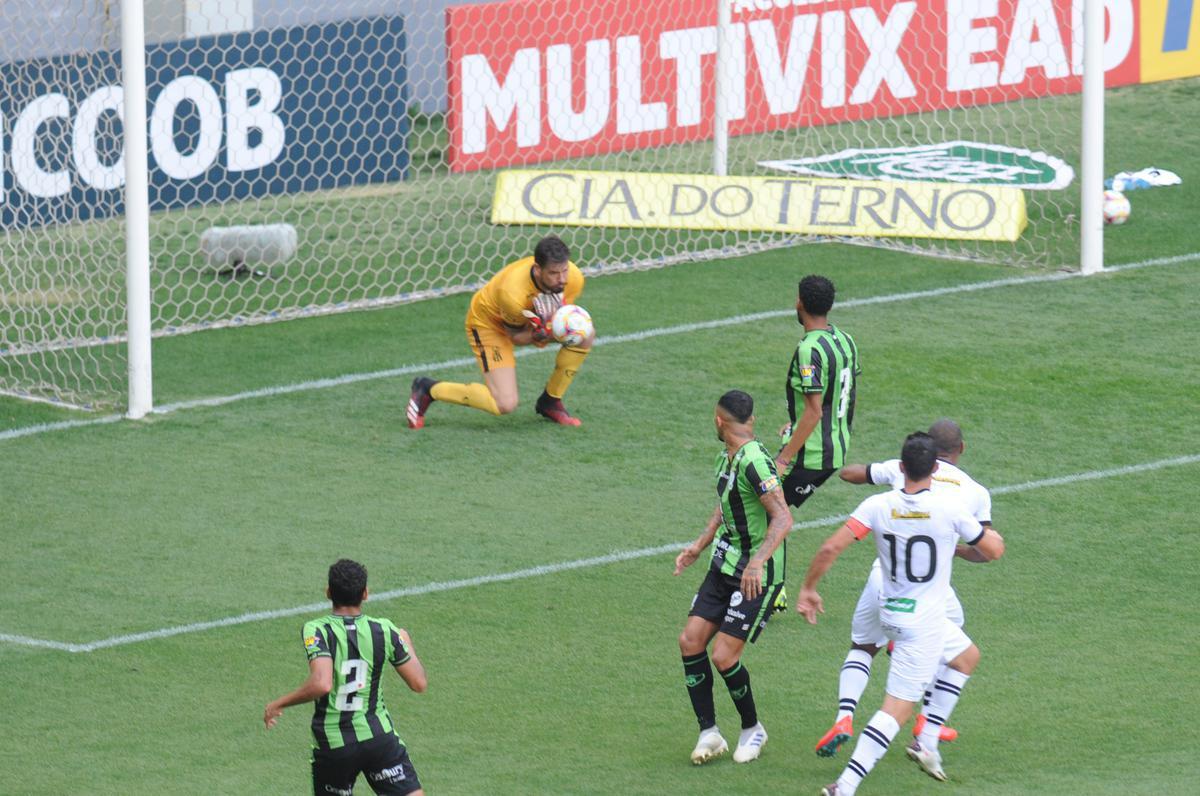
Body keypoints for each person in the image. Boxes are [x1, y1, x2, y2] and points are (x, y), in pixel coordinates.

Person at [795, 433, 1004, 795]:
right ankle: (844, 787)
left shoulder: (877, 506)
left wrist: (808, 589)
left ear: (902, 467)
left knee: (967, 656)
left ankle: (928, 739)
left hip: (891, 610)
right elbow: (992, 550)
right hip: (922, 627)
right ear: (936, 468)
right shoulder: (950, 510)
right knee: (895, 711)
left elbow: (831, 547)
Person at [673, 390, 794, 765]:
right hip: (724, 566)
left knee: (724, 656)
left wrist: (757, 561)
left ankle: (751, 728)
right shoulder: (727, 458)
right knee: (690, 641)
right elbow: (725, 504)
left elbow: (783, 517)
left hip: (754, 576)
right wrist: (699, 544)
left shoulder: (754, 462)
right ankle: (709, 733)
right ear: (750, 420)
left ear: (718, 421)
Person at [264, 559, 429, 795]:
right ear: (366, 594)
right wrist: (406, 642)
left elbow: (322, 683)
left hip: (335, 744)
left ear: (328, 592)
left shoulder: (317, 629)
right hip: (378, 738)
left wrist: (279, 703)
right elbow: (419, 683)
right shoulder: (385, 629)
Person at [406, 235, 593, 428]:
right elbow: (517, 337)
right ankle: (428, 389)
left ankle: (550, 401)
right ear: (537, 270)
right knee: (504, 403)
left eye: (564, 270)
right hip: (488, 324)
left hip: (525, 318)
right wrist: (541, 334)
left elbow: (561, 316)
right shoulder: (512, 294)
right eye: (554, 273)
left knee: (585, 334)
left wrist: (553, 324)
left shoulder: (574, 278)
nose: (562, 279)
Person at [775, 274, 860, 508]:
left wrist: (784, 458)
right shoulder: (846, 340)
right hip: (836, 448)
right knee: (768, 511)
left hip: (812, 455)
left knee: (760, 512)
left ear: (799, 303)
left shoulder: (809, 349)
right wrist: (796, 423)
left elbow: (814, 412)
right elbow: (847, 394)